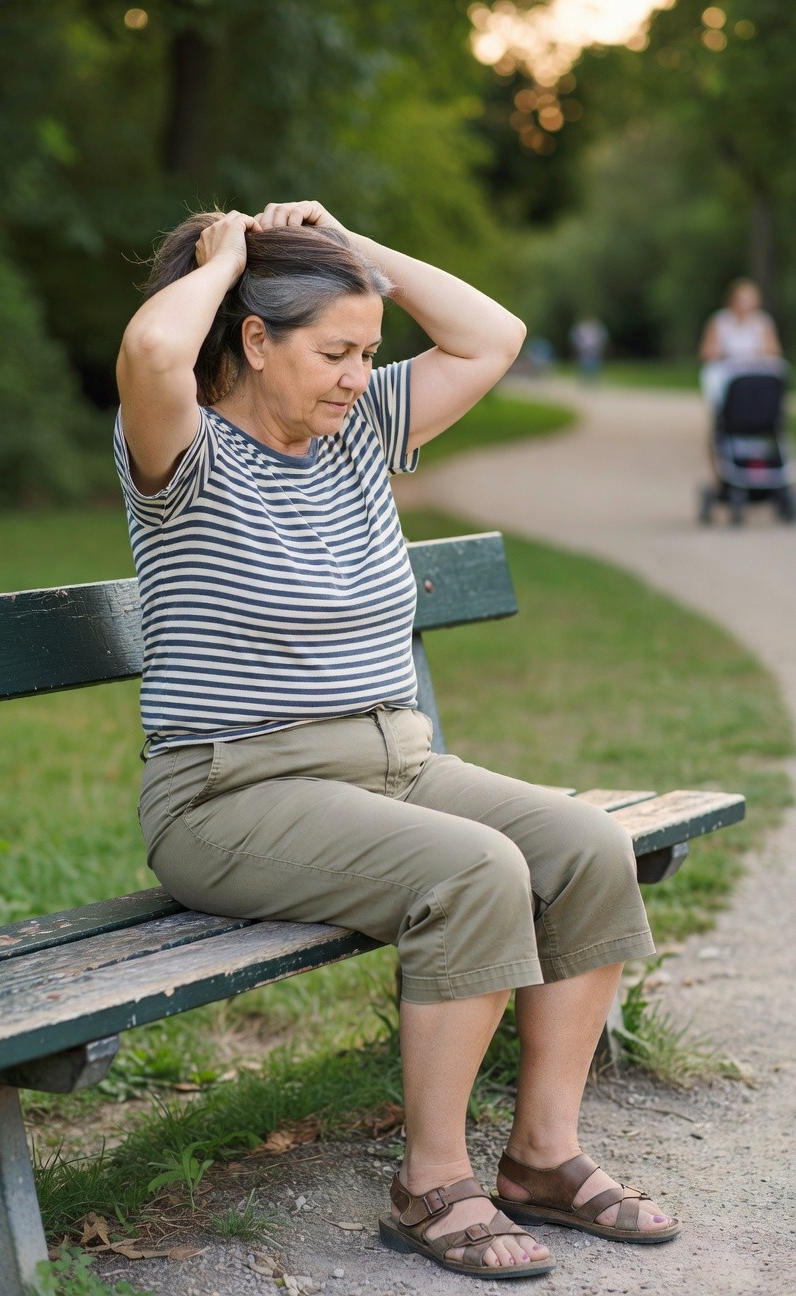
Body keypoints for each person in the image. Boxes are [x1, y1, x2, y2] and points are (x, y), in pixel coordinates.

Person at [115, 200, 679, 1281]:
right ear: (249, 339)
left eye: (367, 353)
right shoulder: (180, 447)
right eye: (335, 351)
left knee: (588, 847)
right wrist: (230, 254)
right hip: (229, 795)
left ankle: (543, 1160)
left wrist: (356, 255)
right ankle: (431, 1185)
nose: (354, 374)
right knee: (477, 870)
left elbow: (493, 336)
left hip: (396, 763)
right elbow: (150, 343)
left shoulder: (362, 423)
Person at [698, 278, 784, 408]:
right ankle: (723, 414)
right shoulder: (720, 320)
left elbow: (774, 351)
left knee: (780, 368)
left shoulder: (763, 321)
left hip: (755, 365)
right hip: (728, 365)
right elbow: (706, 352)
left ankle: (771, 413)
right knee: (713, 375)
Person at [569, 315, 608, 382]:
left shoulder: (597, 328)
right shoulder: (580, 328)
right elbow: (575, 339)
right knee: (584, 364)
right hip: (584, 349)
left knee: (595, 364)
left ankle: (594, 379)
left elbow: (602, 337)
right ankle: (585, 379)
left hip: (595, 348)